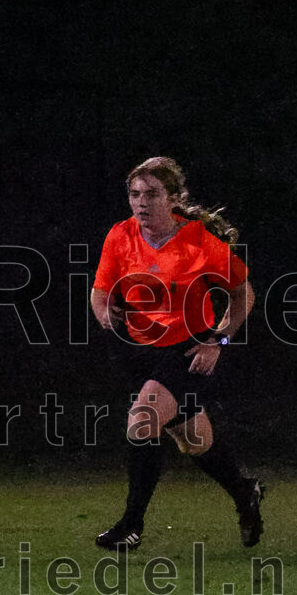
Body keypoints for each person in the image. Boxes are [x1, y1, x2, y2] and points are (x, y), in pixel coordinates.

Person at [90, 156, 263, 550]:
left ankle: (131, 525)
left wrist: (218, 341)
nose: (140, 202)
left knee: (142, 419)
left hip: (188, 350)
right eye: (134, 194)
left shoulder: (199, 242)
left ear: (173, 198)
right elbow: (101, 291)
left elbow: (244, 294)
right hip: (140, 352)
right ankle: (244, 492)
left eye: (151, 194)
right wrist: (105, 313)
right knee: (193, 440)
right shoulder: (120, 235)